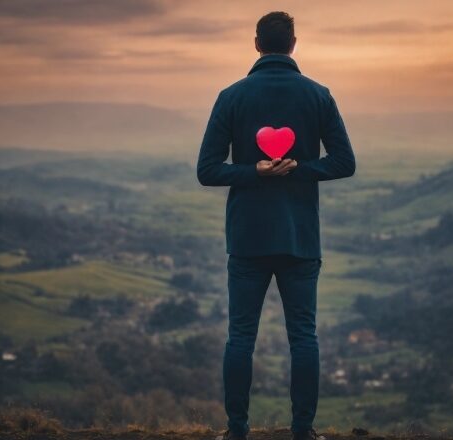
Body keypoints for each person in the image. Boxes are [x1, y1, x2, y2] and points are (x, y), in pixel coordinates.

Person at [197, 10, 356, 440]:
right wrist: (298, 168)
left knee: (240, 338)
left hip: (247, 237)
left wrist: (255, 172)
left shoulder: (231, 97)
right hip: (300, 237)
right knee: (304, 337)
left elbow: (207, 170)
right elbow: (345, 163)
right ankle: (303, 432)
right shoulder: (318, 95)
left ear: (256, 44)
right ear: (293, 44)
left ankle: (236, 431)